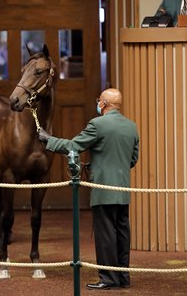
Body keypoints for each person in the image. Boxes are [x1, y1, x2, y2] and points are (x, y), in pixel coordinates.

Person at [38, 88, 139, 290]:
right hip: (122, 189)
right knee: (121, 233)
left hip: (102, 189)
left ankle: (108, 278)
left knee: (105, 236)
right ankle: (122, 276)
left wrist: (48, 139)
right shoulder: (131, 126)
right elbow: (132, 160)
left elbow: (74, 146)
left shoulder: (98, 124)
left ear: (103, 103)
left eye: (98, 101)